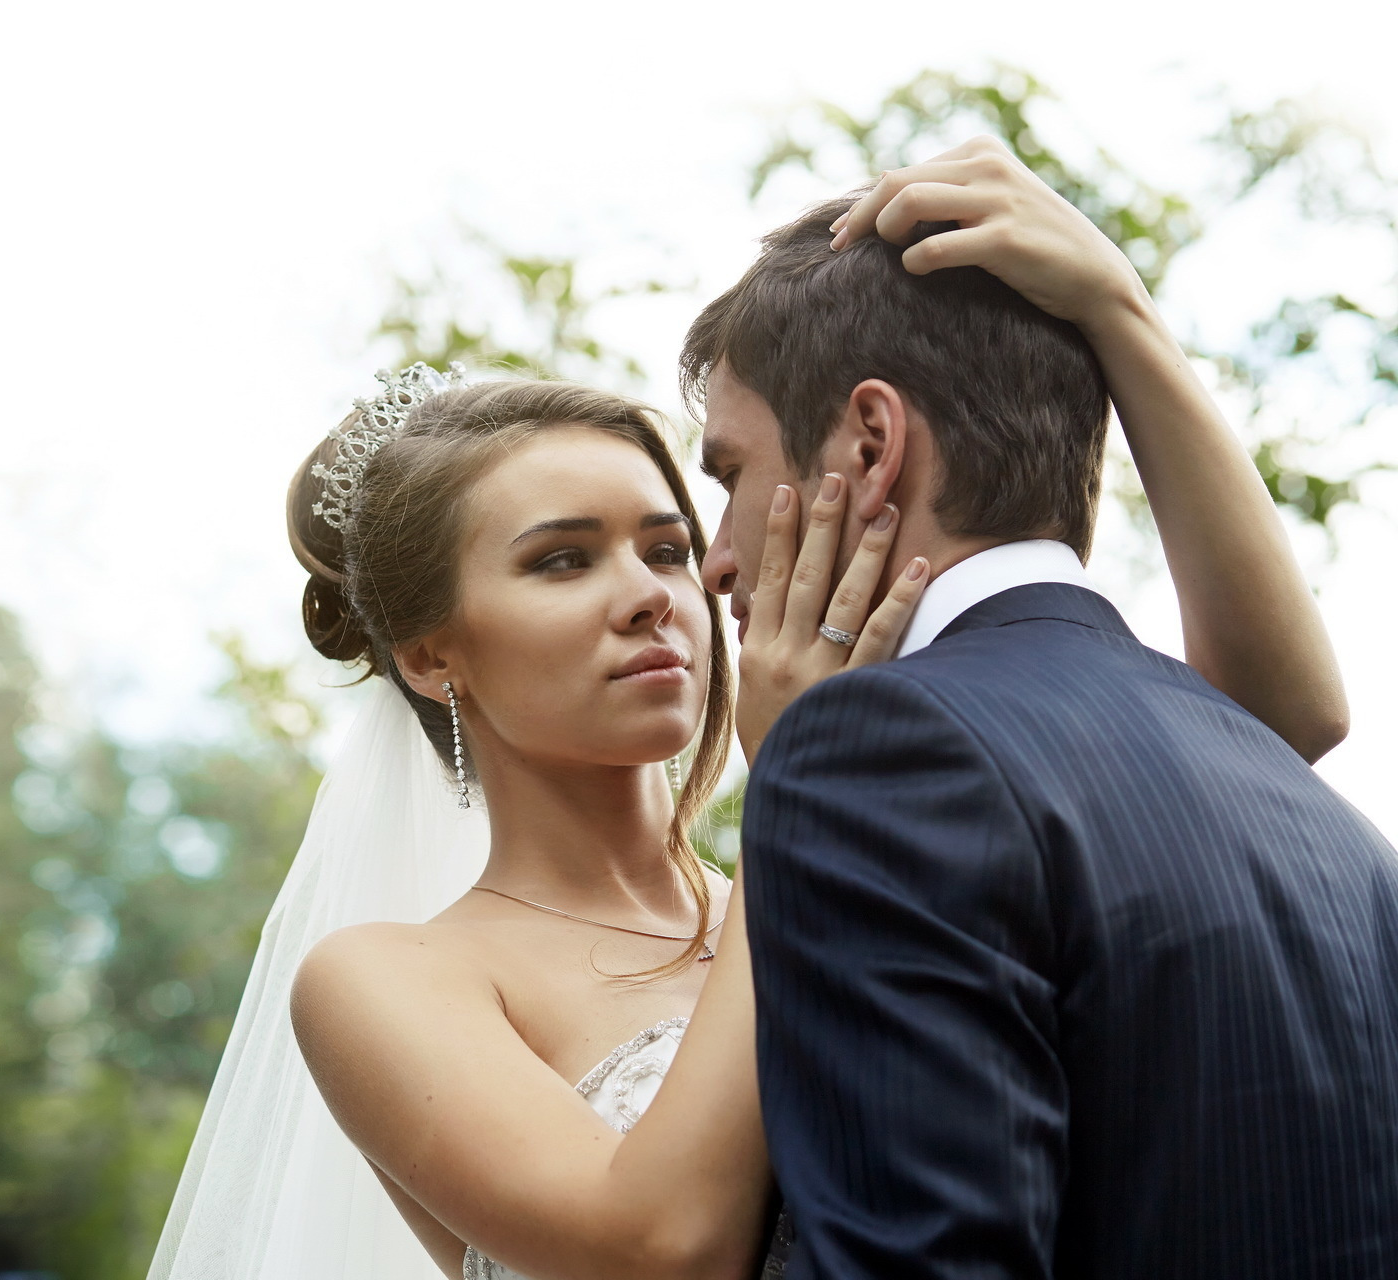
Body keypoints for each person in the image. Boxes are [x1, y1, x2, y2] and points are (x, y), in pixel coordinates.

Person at [144, 138, 1383, 1280]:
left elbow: (1252, 732)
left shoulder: (876, 849)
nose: (660, 594)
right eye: (562, 560)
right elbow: (659, 1241)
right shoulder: (384, 978)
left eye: (672, 544)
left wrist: (1118, 318)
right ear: (430, 655)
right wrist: (795, 780)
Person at [704, 140, 1398, 1279]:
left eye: (726, 473)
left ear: (867, 446)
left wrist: (797, 780)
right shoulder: (1311, 811)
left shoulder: (873, 756)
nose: (719, 564)